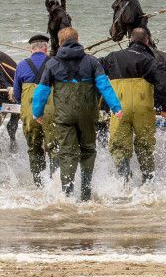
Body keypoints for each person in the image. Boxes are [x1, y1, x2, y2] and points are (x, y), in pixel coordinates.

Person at [32, 27, 123, 200]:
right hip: (87, 116)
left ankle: (67, 194)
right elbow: (104, 86)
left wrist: (37, 112)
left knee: (67, 153)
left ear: (59, 42)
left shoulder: (51, 63)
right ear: (78, 39)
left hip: (64, 117)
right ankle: (86, 194)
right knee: (88, 150)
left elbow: (41, 91)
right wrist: (116, 108)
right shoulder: (92, 62)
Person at [101, 27, 166, 183]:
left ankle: (124, 181)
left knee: (119, 146)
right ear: (147, 41)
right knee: (145, 146)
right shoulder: (151, 61)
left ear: (130, 40)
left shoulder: (112, 57)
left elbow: (95, 70)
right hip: (143, 108)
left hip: (118, 108)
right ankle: (147, 182)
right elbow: (165, 84)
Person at [13, 34, 53, 184]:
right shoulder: (54, 63)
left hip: (30, 115)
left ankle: (39, 183)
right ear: (45, 48)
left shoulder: (22, 65)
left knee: (34, 149)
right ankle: (55, 183)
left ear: (32, 49)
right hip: (52, 115)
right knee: (54, 148)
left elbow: (17, 95)